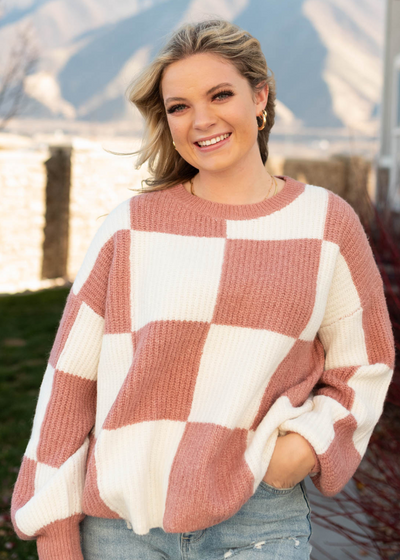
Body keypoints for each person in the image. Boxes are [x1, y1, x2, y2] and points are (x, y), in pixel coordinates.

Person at [11, 18, 395, 560]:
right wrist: (55, 535)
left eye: (221, 95)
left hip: (258, 520)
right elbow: (69, 388)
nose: (202, 120)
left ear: (259, 97)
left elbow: (364, 364)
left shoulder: (326, 223)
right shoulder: (130, 228)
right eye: (179, 106)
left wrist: (306, 446)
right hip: (123, 531)